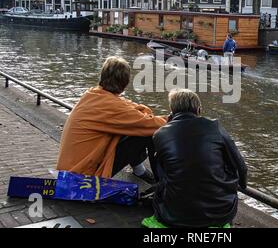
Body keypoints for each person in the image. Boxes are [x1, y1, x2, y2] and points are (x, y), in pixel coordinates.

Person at [56, 57, 167, 183]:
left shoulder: (93, 94)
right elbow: (151, 124)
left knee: (134, 126)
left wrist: (142, 113)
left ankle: (139, 170)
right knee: (144, 132)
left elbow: (133, 108)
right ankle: (157, 182)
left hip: (69, 170)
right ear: (125, 82)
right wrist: (173, 119)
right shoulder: (111, 106)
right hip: (83, 176)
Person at [151, 89, 248, 228]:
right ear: (198, 109)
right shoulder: (215, 127)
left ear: (172, 111)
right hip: (220, 213)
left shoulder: (159, 134)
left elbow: (160, 173)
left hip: (173, 215)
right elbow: (241, 167)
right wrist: (242, 186)